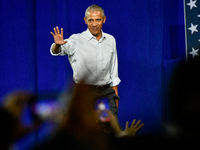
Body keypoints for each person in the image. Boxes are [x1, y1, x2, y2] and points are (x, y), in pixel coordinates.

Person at [50, 5, 121, 118]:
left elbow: (113, 70)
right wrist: (57, 45)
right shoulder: (76, 40)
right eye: (90, 20)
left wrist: (115, 96)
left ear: (104, 19)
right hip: (85, 95)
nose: (94, 24)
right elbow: (58, 50)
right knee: (85, 132)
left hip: (107, 94)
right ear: (85, 20)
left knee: (108, 132)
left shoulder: (111, 40)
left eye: (98, 20)